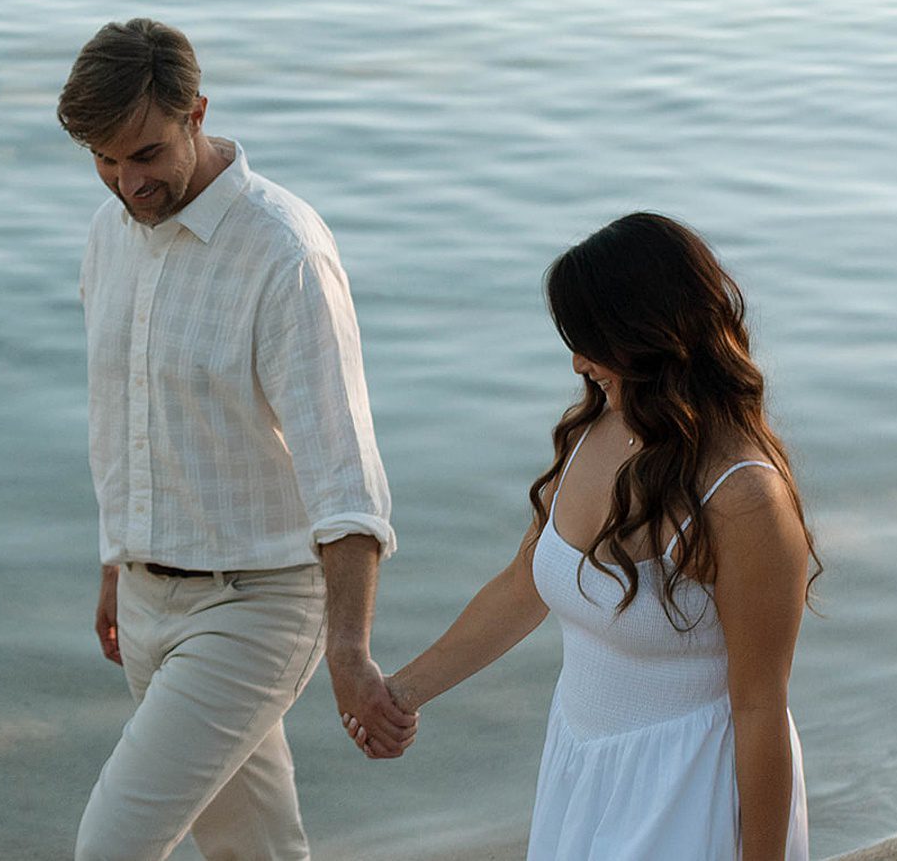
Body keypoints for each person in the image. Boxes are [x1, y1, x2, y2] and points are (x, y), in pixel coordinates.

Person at [349, 213, 818, 861]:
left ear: (649, 335)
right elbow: (524, 585)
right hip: (583, 769)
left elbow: (761, 706)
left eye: (591, 340)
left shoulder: (741, 495)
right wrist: (401, 691)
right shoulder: (591, 427)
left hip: (689, 788)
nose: (576, 360)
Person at [58, 17, 416, 861]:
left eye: (144, 153)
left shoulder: (284, 252)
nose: (124, 182)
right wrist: (120, 558)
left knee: (109, 848)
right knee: (253, 847)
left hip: (256, 605)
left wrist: (350, 648)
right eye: (104, 159)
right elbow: (123, 417)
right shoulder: (110, 234)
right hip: (149, 595)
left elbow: (345, 470)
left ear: (197, 113)